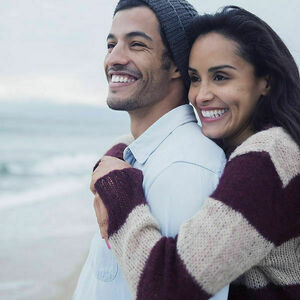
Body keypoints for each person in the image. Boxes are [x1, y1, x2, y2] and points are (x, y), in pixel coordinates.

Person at [91, 6, 300, 300]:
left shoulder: (268, 156)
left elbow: (167, 287)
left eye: (221, 77)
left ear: (264, 81)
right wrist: (114, 159)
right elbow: (139, 140)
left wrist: (118, 194)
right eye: (196, 78)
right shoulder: (242, 143)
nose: (201, 95)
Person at [73, 0, 229, 299]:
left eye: (136, 45)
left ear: (175, 65)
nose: (114, 58)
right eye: (110, 44)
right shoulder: (138, 158)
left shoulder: (185, 170)